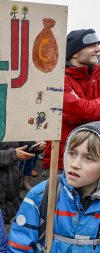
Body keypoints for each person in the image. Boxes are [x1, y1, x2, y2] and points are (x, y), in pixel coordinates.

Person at [7, 121, 100, 253]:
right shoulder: (43, 194)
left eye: (88, 158)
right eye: (72, 153)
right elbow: (19, 247)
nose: (75, 164)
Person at [42, 29, 100, 179]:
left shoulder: (97, 74)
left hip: (94, 160)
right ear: (74, 52)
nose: (97, 49)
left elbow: (85, 110)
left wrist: (86, 105)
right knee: (57, 201)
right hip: (62, 160)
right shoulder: (57, 78)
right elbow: (81, 112)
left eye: (97, 44)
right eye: (91, 45)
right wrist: (86, 107)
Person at [0, 141, 44, 224]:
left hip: (10, 187)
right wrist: (11, 155)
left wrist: (33, 145)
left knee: (1, 226)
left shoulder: (10, 128)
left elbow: (19, 143)